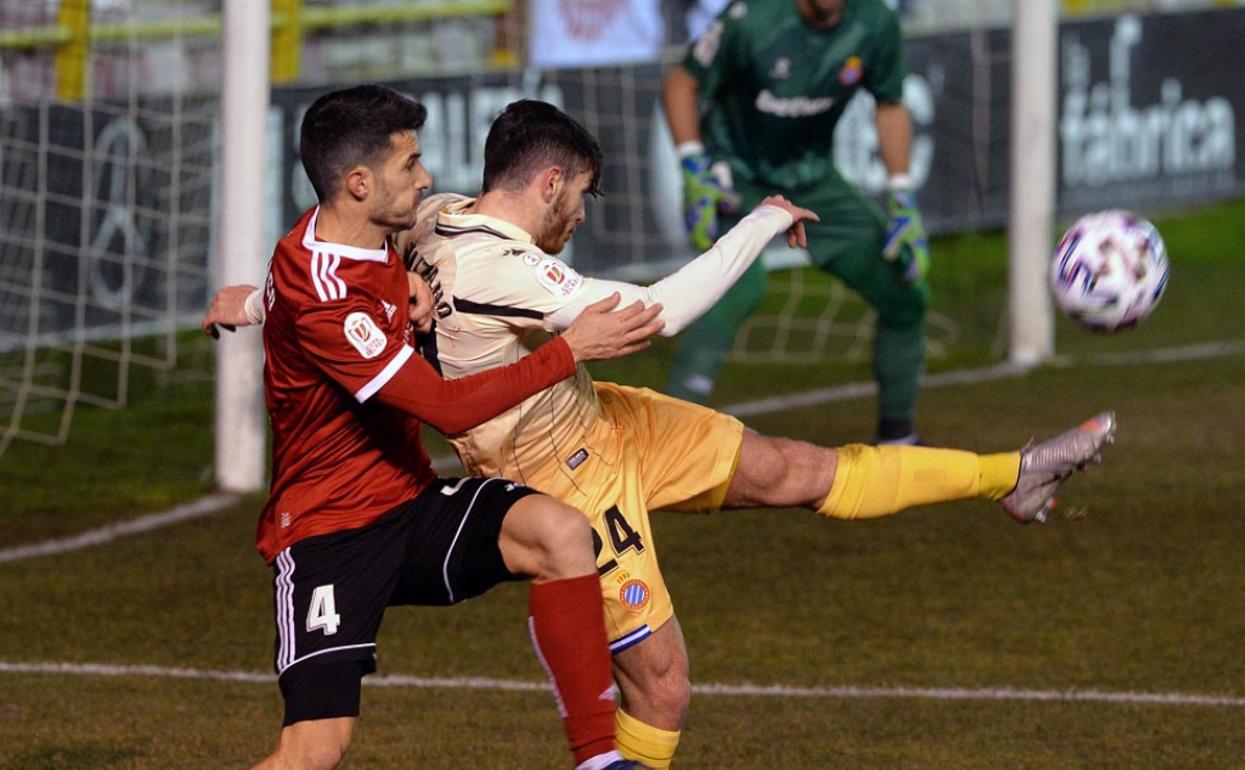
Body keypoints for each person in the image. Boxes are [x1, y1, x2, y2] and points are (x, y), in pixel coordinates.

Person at [212, 100, 1117, 770]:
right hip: (556, 469)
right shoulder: (494, 260)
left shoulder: (435, 216)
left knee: (794, 467)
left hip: (599, 413)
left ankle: (1014, 473)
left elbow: (333, 287)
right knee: (665, 686)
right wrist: (760, 223)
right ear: (551, 182)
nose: (581, 218)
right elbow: (656, 313)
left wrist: (254, 304)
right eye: (584, 199)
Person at [210, 85, 661, 770]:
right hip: (331, 533)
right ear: (359, 183)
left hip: (408, 504)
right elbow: (446, 409)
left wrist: (245, 304)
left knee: (561, 532)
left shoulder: (353, 238)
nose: (426, 180)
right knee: (314, 751)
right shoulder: (327, 299)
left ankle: (599, 760)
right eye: (410, 165)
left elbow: (287, 294)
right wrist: (571, 350)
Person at [663, 0, 931, 444]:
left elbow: (891, 103)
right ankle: (666, 435)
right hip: (736, 174)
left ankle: (898, 436)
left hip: (812, 179)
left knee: (903, 288)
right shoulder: (752, 18)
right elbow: (680, 82)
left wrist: (902, 196)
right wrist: (693, 169)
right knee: (738, 288)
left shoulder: (876, 22)